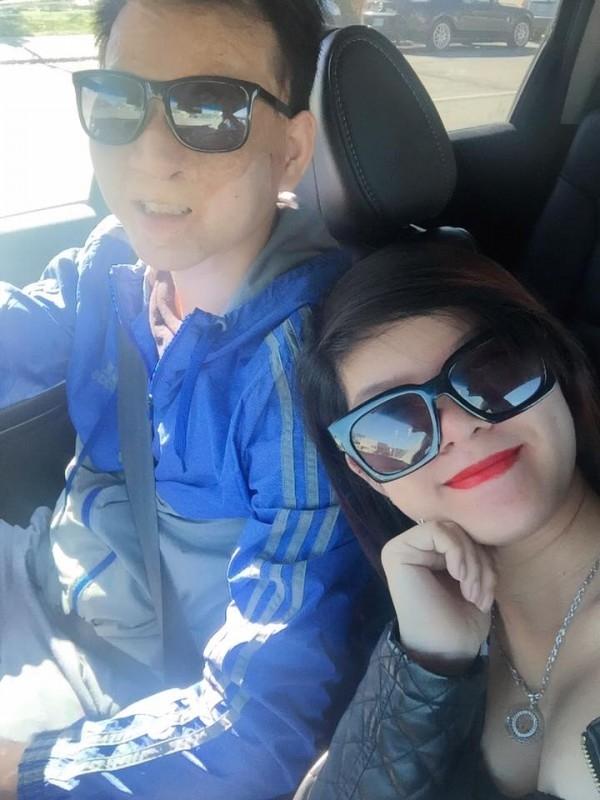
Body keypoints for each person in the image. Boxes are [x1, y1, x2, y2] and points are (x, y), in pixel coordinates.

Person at [0, 1, 371, 798]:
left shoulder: (305, 374)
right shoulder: (111, 263)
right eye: (118, 102)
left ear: (291, 151)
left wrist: (30, 767)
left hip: (124, 701)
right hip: (33, 576)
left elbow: (256, 721)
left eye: (210, 111)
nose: (149, 155)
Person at [297, 243, 600, 800]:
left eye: (493, 369)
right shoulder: (411, 631)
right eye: (392, 423)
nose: (459, 427)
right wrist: (423, 669)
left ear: (552, 361)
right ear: (367, 474)